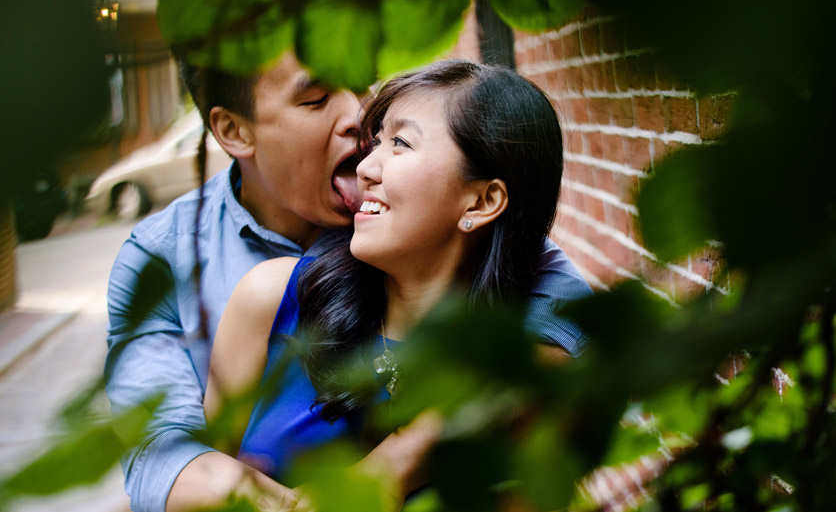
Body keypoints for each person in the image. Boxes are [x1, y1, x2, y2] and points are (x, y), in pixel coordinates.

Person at [105, 52, 591, 512]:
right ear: (233, 130)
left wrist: (407, 453)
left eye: (361, 85)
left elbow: (571, 321)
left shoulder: (484, 285)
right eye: (314, 99)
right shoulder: (195, 268)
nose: (360, 128)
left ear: (482, 204)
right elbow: (161, 454)